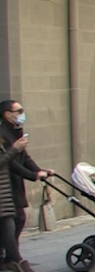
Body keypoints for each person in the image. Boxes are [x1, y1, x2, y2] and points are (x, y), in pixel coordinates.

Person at [0, 100, 53, 254]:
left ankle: (10, 255)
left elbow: (24, 157)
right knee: (15, 220)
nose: (22, 115)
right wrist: (33, 175)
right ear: (7, 114)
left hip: (14, 183)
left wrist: (39, 171)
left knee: (17, 220)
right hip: (6, 184)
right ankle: (11, 256)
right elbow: (10, 162)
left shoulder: (16, 131)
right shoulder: (3, 133)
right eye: (19, 111)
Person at [1, 134, 39, 272]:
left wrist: (35, 172)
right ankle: (18, 263)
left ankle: (16, 262)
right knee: (8, 230)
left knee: (9, 229)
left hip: (4, 195)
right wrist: (14, 149)